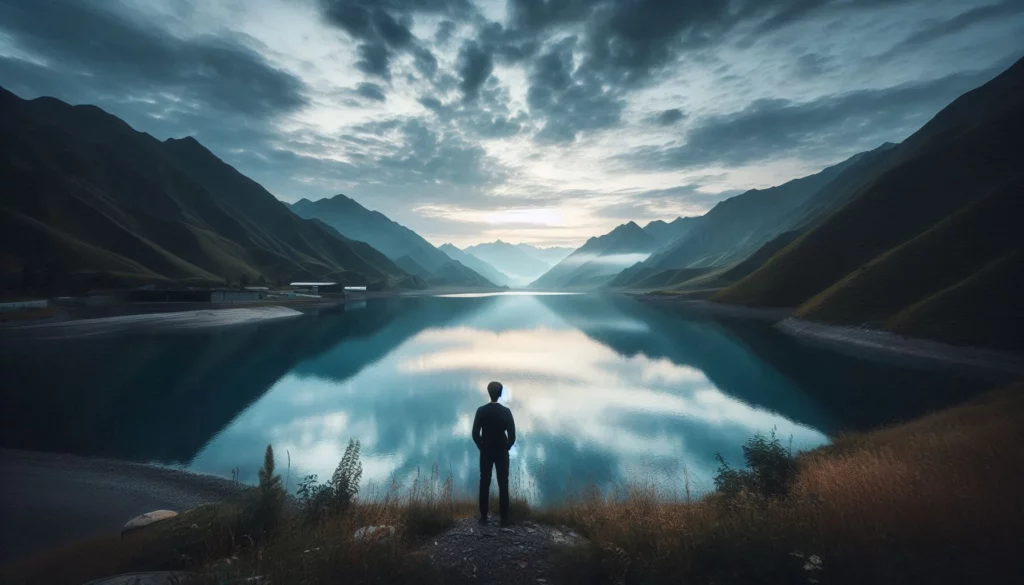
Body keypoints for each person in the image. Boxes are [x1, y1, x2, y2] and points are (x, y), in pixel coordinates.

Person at [472, 381, 516, 526]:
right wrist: (506, 447)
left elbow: (475, 434)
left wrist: (481, 447)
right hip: (501, 452)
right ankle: (504, 518)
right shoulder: (506, 412)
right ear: (500, 393)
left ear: (488, 392)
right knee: (503, 484)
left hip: (486, 452)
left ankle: (483, 517)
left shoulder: (481, 411)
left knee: (484, 483)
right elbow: (512, 436)